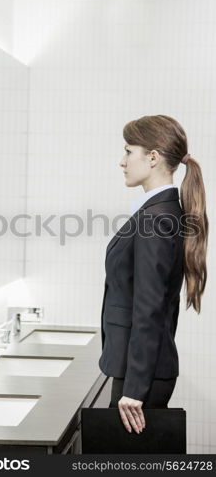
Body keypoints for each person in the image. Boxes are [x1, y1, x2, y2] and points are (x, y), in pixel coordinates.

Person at [98, 115, 208, 434]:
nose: (122, 161)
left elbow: (150, 308)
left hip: (140, 379)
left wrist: (135, 387)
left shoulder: (155, 219)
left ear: (152, 157)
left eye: (128, 151)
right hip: (141, 369)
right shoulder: (160, 212)